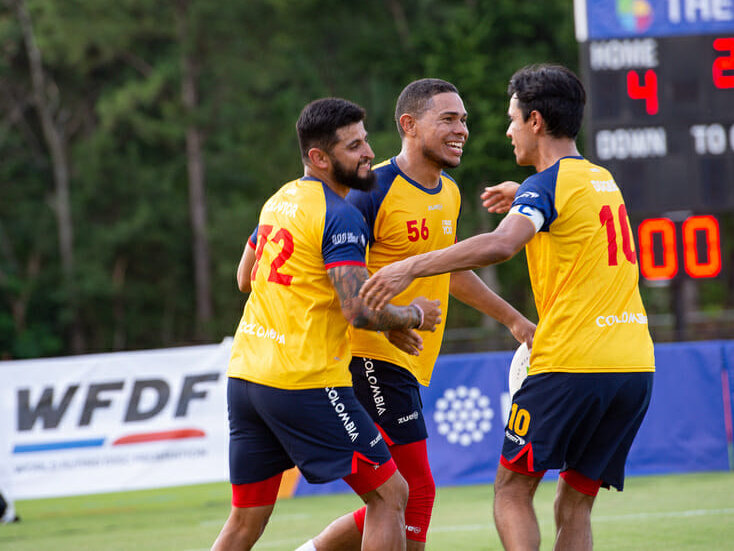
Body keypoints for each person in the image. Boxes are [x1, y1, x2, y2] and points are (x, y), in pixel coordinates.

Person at [359, 65, 655, 551]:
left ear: (535, 121)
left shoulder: (545, 183)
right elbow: (571, 218)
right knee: (574, 505)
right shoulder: (601, 180)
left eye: (512, 119)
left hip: (570, 364)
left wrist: (412, 266)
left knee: (511, 491)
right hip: (635, 367)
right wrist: (515, 314)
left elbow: (501, 245)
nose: (506, 130)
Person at [299, 78, 537, 551]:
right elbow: (338, 274)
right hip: (367, 356)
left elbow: (447, 269)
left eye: (463, 120)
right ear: (409, 125)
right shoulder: (372, 189)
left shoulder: (449, 191)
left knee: (392, 496)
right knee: (416, 492)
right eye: (447, 119)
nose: (461, 129)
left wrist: (514, 320)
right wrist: (394, 321)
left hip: (407, 363)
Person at [211, 97, 444, 551]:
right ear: (320, 158)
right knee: (392, 495)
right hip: (305, 382)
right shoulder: (341, 217)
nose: (368, 153)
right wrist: (412, 314)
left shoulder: (279, 199)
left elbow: (244, 278)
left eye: (366, 141)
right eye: (354, 146)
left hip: (247, 378)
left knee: (244, 522)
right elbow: (358, 309)